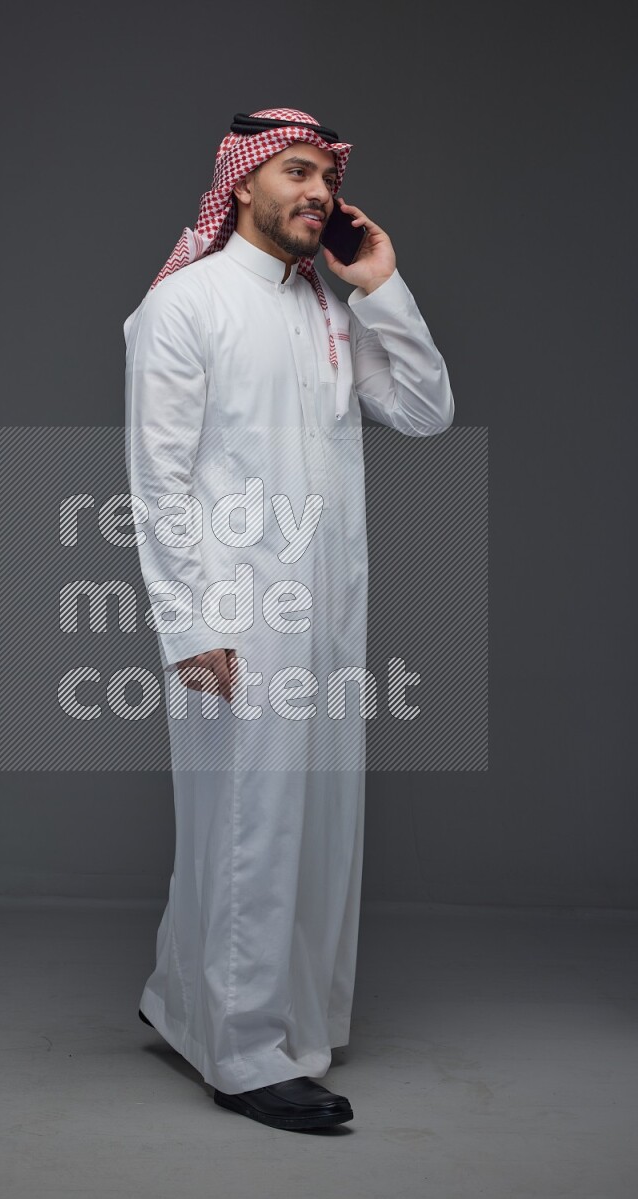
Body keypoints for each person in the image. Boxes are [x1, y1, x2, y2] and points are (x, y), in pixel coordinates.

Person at [124, 107, 454, 1132]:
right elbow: (159, 480)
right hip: (235, 614)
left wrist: (381, 285)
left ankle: (189, 1003)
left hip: (326, 616)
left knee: (309, 825)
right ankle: (246, 1054)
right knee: (248, 833)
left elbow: (423, 407)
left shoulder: (323, 306)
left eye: (327, 176)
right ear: (244, 183)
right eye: (297, 173)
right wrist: (189, 624)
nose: (316, 193)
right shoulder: (185, 307)